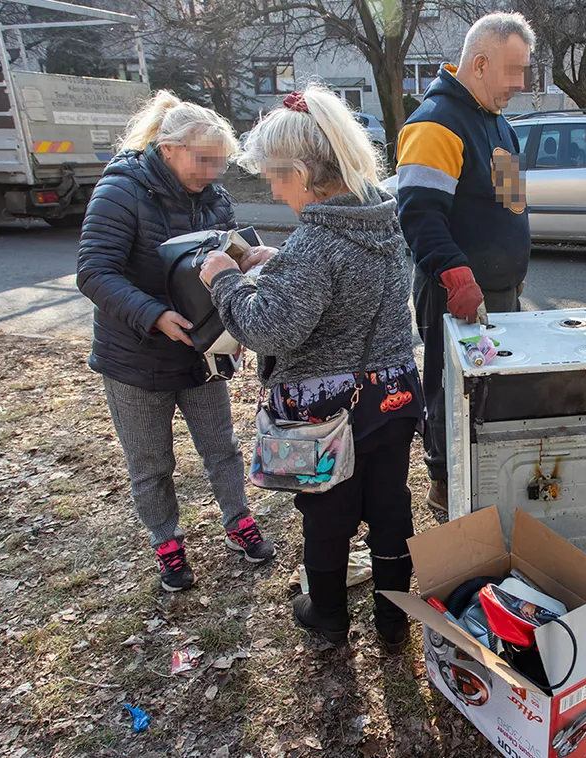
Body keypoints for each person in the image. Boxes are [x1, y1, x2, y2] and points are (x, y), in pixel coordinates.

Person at [202, 87, 425, 650]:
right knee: (390, 505)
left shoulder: (318, 241)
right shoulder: (382, 222)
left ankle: (327, 614)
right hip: (393, 394)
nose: (273, 191)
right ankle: (393, 619)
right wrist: (277, 266)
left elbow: (270, 328)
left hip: (326, 411)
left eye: (276, 178)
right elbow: (342, 294)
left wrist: (223, 279)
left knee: (327, 513)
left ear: (303, 172)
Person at [77, 91, 277, 593]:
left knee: (222, 447)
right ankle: (166, 543)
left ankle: (238, 523)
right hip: (136, 357)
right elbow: (93, 272)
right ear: (168, 149)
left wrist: (244, 263)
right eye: (203, 159)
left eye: (220, 162)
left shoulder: (214, 195)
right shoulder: (120, 191)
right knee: (151, 463)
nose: (213, 171)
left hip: (202, 351)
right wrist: (154, 315)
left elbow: (217, 256)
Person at [396, 12, 534, 514]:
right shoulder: (435, 123)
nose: (521, 84)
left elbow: (511, 203)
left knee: (492, 390)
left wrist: (516, 266)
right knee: (450, 393)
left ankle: (484, 475)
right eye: (514, 71)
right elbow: (419, 214)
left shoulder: (497, 121)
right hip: (455, 293)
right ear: (479, 63)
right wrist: (457, 276)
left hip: (499, 289)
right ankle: (444, 480)